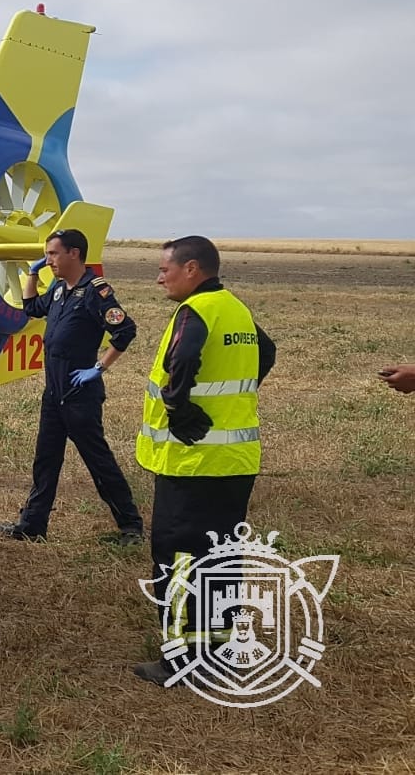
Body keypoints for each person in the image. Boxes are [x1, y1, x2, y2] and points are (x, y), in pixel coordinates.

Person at [131, 236, 275, 687]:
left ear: (192, 269)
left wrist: (180, 407)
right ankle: (220, 649)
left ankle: (180, 659)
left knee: (177, 560)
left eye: (164, 269)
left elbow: (184, 359)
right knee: (222, 558)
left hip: (191, 463)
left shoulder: (194, 313)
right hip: (236, 461)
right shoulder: (236, 309)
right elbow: (265, 353)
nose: (159, 278)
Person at [0, 228, 145, 543]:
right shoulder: (58, 288)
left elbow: (125, 330)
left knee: (98, 460)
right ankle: (32, 525)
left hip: (79, 393)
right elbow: (31, 309)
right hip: (54, 392)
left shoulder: (95, 291)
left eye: (52, 254)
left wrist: (98, 368)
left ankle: (131, 526)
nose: (48, 260)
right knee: (46, 460)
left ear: (74, 253)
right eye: (47, 255)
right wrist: (32, 275)